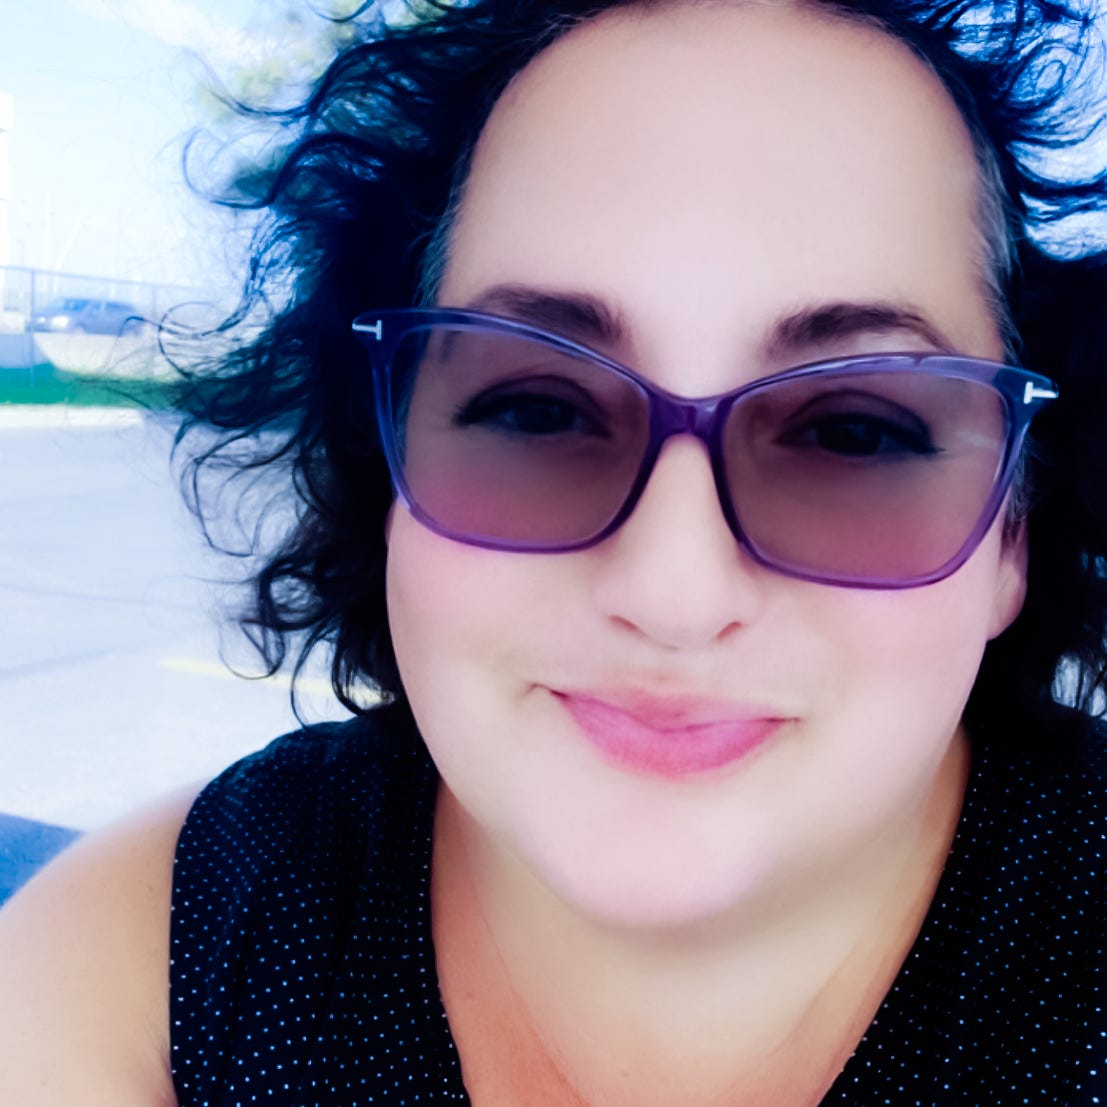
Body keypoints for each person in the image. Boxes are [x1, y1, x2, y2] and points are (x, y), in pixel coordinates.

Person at [3, 0, 1107, 1102]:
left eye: (851, 433)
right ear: (388, 463)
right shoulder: (139, 964)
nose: (673, 592)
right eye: (539, 410)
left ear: (1012, 530)